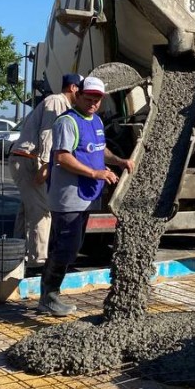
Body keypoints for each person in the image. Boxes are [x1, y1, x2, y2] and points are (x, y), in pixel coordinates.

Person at [39, 76, 134, 316]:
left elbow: (101, 150)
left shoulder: (96, 121)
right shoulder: (68, 122)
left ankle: (48, 296)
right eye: (88, 98)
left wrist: (119, 161)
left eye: (97, 99)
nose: (93, 103)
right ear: (78, 95)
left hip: (86, 196)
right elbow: (62, 157)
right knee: (66, 248)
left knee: (71, 246)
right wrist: (95, 173)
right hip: (68, 197)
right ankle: (49, 296)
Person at [9, 74, 81, 274]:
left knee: (28, 209)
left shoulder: (60, 103)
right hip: (29, 160)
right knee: (41, 212)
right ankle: (38, 263)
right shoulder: (56, 102)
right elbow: (48, 135)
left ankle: (16, 255)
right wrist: (46, 165)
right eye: (81, 89)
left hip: (23, 158)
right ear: (73, 88)